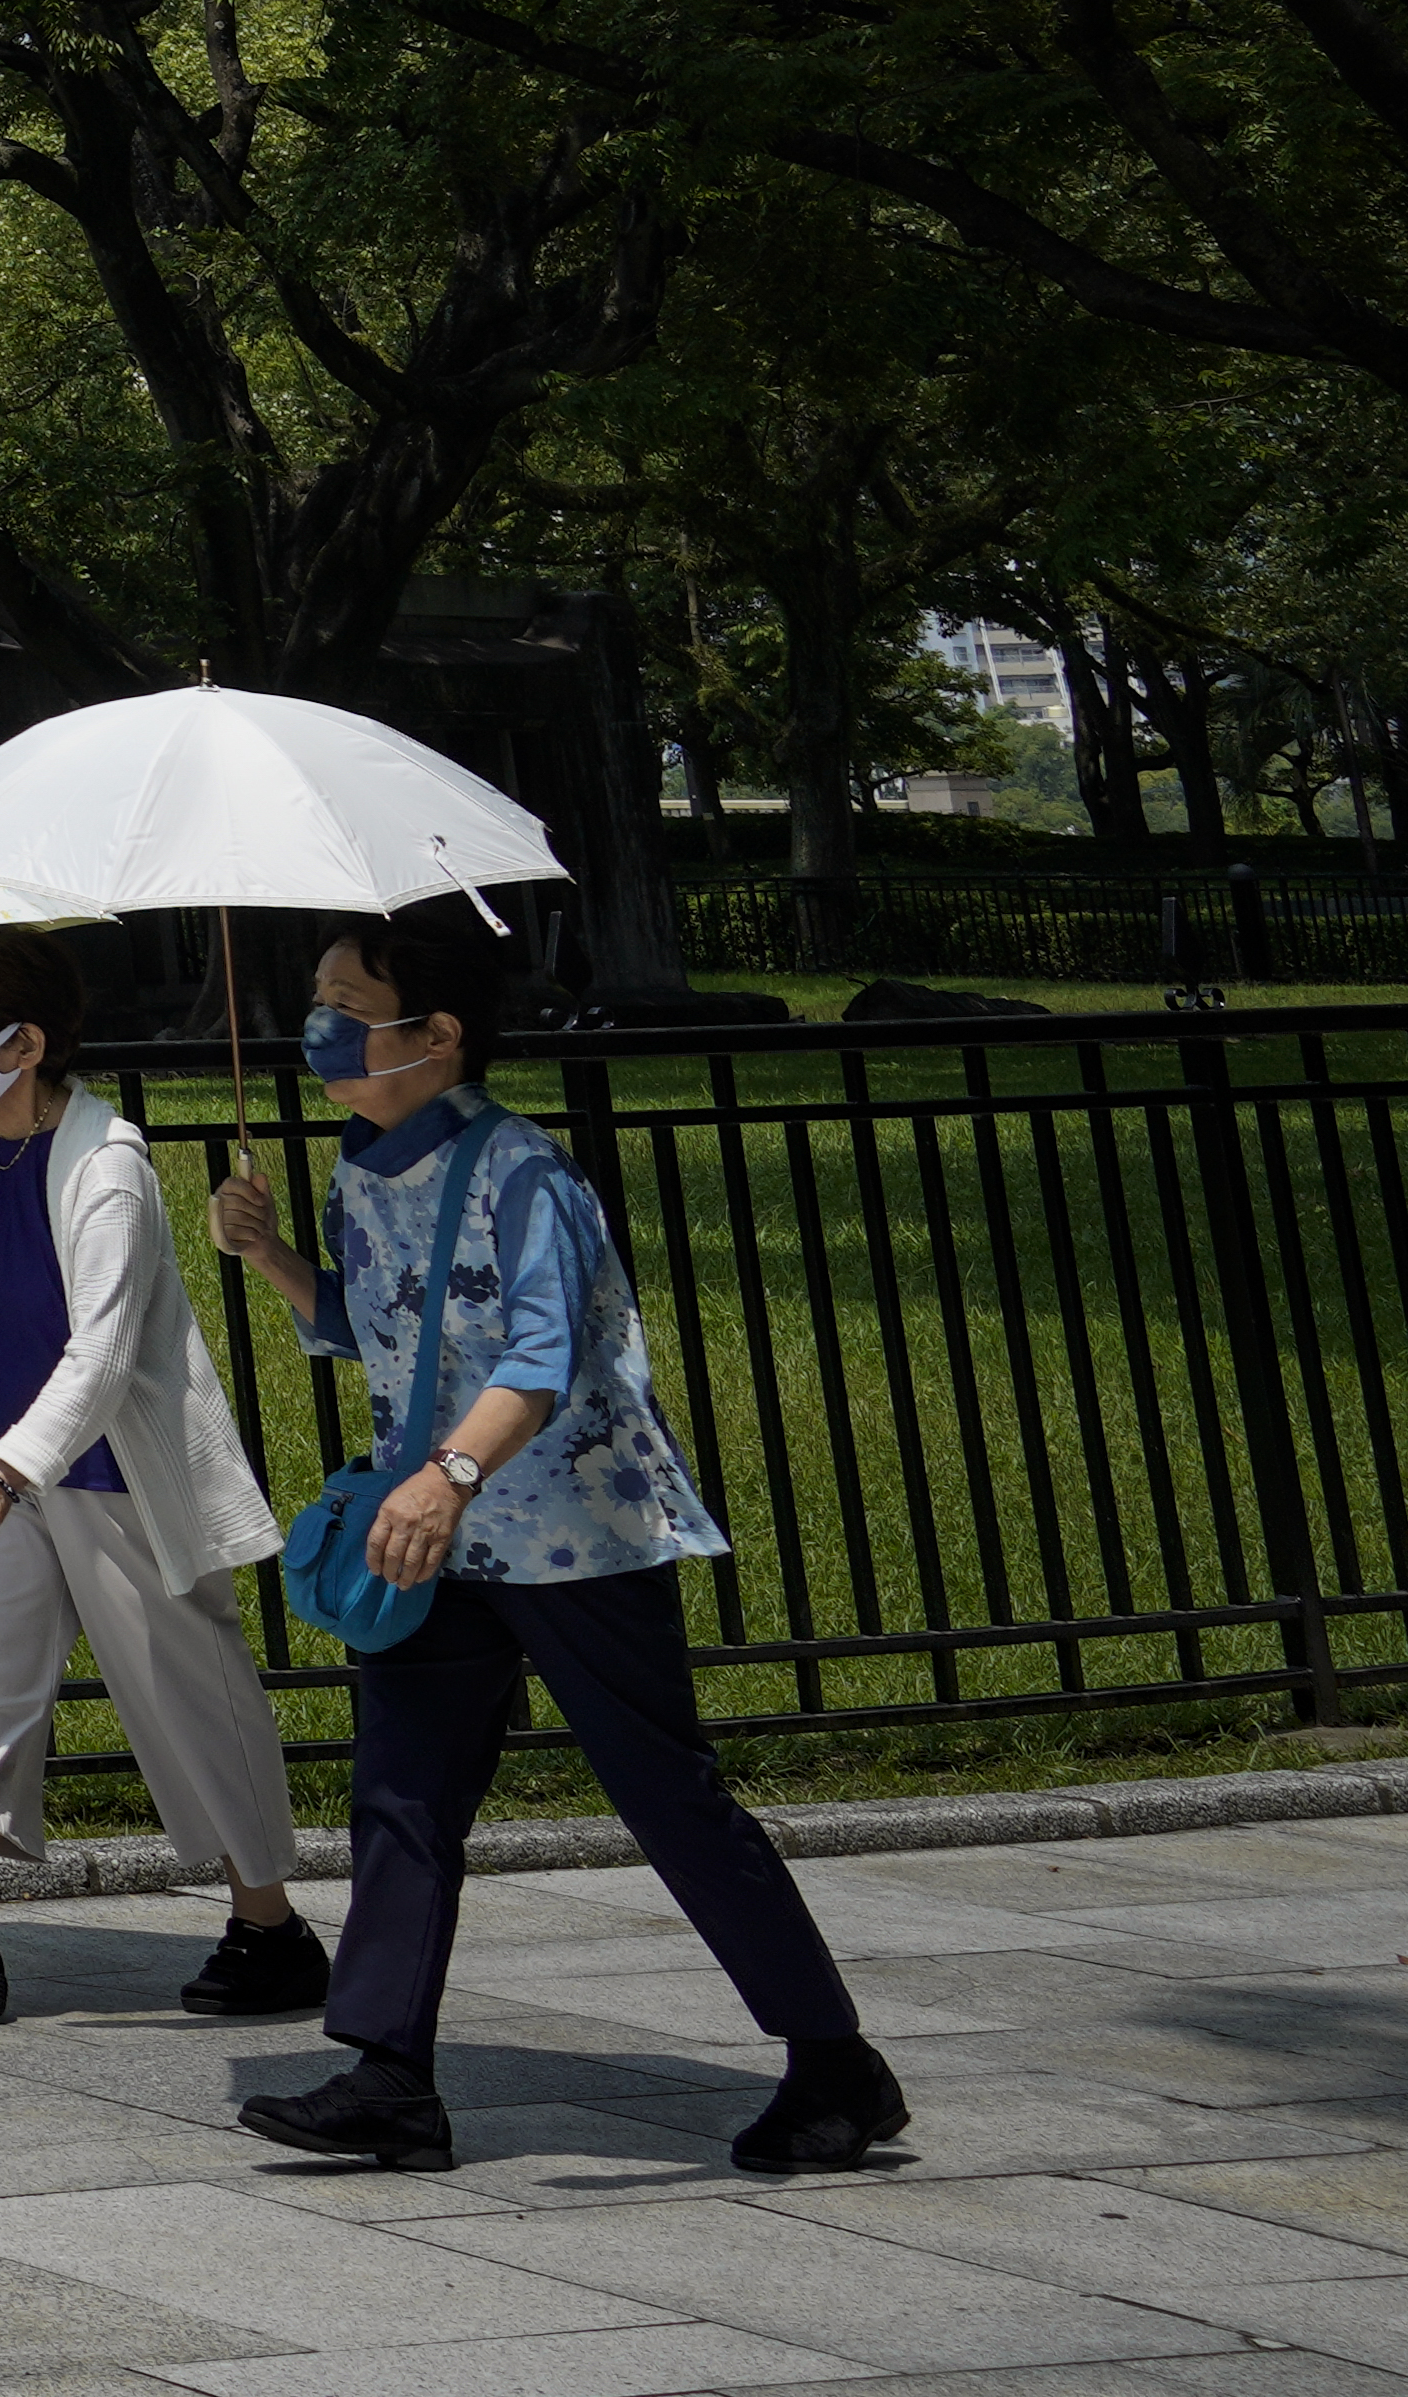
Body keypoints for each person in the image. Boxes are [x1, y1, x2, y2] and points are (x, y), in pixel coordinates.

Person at [202, 904, 911, 2178]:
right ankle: (388, 2074)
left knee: (664, 1795)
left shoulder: (527, 1176)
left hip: (570, 1534)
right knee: (402, 1797)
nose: (317, 1030)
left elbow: (541, 1355)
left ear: (438, 1033)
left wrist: (452, 1475)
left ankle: (833, 2065)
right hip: (439, 1534)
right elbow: (391, 1340)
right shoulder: (362, 1170)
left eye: (345, 1009)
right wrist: (273, 1262)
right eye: (317, 1004)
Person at [0, 926, 317, 2027]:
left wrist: (3, 1468)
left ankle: (270, 1927)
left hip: (114, 1480)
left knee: (190, 1698)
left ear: (22, 1041)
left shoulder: (108, 1167)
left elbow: (100, 1354)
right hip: (15, 1476)